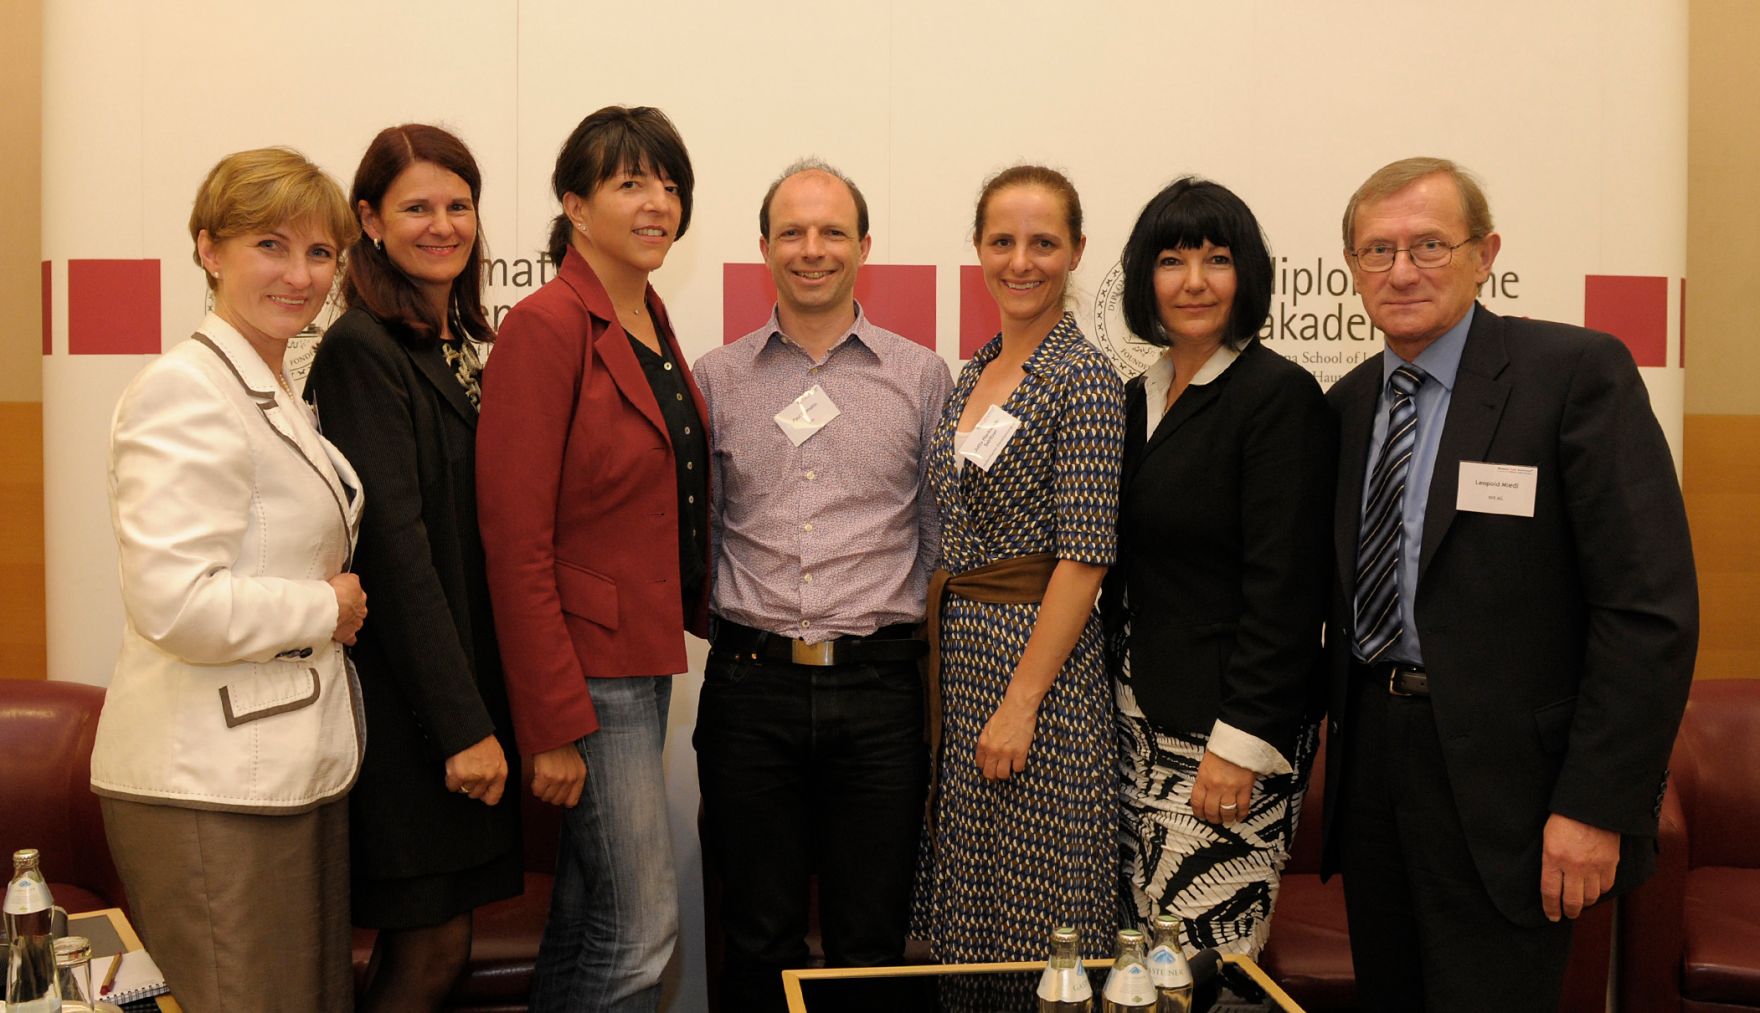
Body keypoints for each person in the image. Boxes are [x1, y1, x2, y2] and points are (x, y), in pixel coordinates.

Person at [1320, 157, 1698, 1011]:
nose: (1402, 271)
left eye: (1428, 245)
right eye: (1377, 252)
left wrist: (1597, 804)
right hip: (1376, 765)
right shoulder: (1345, 406)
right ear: (1351, 269)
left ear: (1485, 253)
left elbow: (1648, 614)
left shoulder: (1573, 375)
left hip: (1514, 794)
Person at [90, 147, 366, 1012]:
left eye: (320, 253)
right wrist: (325, 606)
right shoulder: (183, 391)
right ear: (209, 249)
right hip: (206, 780)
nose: (299, 274)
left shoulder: (272, 385)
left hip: (279, 762)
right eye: (270, 246)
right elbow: (174, 603)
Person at [691, 159, 952, 1012]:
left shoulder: (921, 377)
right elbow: (702, 527)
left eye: (833, 231)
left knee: (868, 943)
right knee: (756, 939)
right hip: (749, 689)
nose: (813, 250)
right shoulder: (716, 378)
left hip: (880, 692)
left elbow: (938, 538)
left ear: (865, 246)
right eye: (793, 232)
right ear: (763, 247)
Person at [476, 105, 707, 1012]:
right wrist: (553, 723)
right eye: (629, 183)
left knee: (584, 918)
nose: (657, 202)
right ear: (574, 204)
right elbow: (516, 542)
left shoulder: (647, 314)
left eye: (668, 183)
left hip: (640, 660)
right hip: (587, 678)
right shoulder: (546, 324)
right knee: (641, 931)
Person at [303, 124, 520, 1012]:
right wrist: (464, 726)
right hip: (411, 717)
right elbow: (395, 553)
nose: (443, 225)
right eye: (416, 207)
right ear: (370, 222)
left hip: (451, 699)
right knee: (429, 949)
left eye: (458, 205)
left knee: (437, 944)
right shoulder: (363, 348)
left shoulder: (447, 344)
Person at [1101, 178, 1334, 957]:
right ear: (1144, 279)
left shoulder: (1278, 397)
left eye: (1217, 258)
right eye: (1171, 259)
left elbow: (1289, 591)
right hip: (1133, 726)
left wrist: (1241, 744)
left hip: (1222, 740)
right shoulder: (1137, 397)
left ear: (1248, 275)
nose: (1194, 280)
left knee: (1203, 967)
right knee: (1139, 967)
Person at [914, 165, 1125, 1007]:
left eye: (1044, 242)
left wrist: (1022, 701)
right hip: (964, 661)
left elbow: (1084, 557)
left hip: (1041, 675)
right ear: (977, 250)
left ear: (1076, 251)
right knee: (973, 915)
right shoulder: (972, 373)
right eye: (1002, 241)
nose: (1021, 260)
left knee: (1044, 924)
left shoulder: (1086, 381)